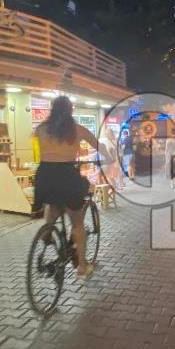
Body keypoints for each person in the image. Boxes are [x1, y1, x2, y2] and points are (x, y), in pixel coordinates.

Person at [33, 95, 100, 278]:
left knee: (52, 202)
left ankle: (48, 230)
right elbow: (99, 145)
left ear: (52, 110)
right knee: (77, 223)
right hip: (66, 175)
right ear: (70, 111)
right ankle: (82, 267)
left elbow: (37, 151)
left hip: (45, 175)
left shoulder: (40, 129)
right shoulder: (77, 130)